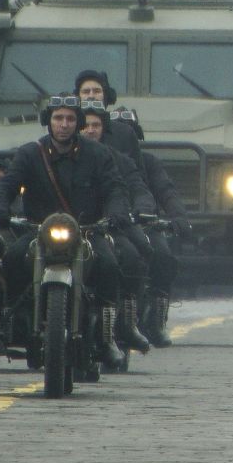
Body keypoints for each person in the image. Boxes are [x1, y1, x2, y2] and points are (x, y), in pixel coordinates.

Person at [0, 95, 139, 372]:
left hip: (87, 232)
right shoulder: (29, 154)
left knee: (109, 265)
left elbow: (116, 188)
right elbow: (6, 186)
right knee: (11, 259)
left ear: (78, 123)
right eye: (58, 118)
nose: (64, 125)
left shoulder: (98, 154)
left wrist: (116, 214)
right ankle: (13, 321)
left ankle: (106, 338)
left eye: (70, 119)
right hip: (38, 231)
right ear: (48, 122)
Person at [77, 102, 155, 354]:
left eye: (96, 125)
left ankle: (126, 323)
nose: (90, 130)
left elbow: (135, 187)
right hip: (62, 227)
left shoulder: (117, 159)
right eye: (86, 125)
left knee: (134, 255)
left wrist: (130, 212)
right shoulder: (50, 154)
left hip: (105, 226)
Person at [110, 105, 191, 347]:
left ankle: (155, 317)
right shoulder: (97, 159)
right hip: (106, 225)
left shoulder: (148, 163)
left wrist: (178, 217)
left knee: (164, 257)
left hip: (142, 224)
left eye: (129, 133)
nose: (124, 138)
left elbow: (166, 191)